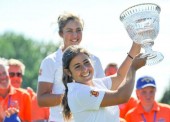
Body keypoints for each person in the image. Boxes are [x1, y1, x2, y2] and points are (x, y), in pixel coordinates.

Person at [37, 11, 141, 122]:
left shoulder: (94, 60)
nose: (75, 35)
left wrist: (136, 45)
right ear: (61, 33)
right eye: (69, 31)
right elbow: (41, 99)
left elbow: (115, 80)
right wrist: (73, 97)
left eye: (78, 30)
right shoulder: (50, 61)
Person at [62, 45, 146, 122]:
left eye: (86, 62)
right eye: (77, 66)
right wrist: (133, 68)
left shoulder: (96, 84)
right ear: (68, 72)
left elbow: (120, 76)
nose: (84, 69)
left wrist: (136, 43)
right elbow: (122, 97)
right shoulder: (80, 92)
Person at [0, 58, 31, 122]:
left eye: (4, 73)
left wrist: (16, 118)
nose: (3, 77)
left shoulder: (24, 96)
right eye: (12, 74)